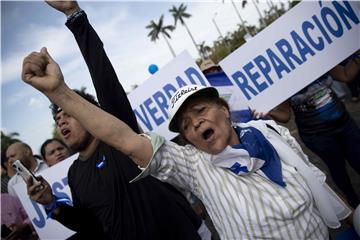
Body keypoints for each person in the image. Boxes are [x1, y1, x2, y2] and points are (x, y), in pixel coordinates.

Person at [22, 46, 352, 239]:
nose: (195, 122)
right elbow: (124, 137)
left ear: (224, 110)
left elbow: (315, 179)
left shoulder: (270, 132)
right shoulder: (194, 167)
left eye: (200, 110)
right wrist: (59, 93)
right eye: (185, 123)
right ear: (188, 138)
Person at [24, 1, 205, 239]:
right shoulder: (75, 175)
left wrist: (74, 15)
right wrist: (52, 205)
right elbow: (93, 226)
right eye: (58, 119)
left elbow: (106, 81)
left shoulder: (120, 137)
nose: (62, 122)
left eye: (69, 113)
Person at [254, 55, 360, 208]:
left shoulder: (317, 60)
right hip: (317, 135)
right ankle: (353, 203)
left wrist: (357, 55)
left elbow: (346, 75)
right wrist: (268, 112)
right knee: (337, 167)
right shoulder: (285, 81)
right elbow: (285, 115)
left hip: (344, 123)